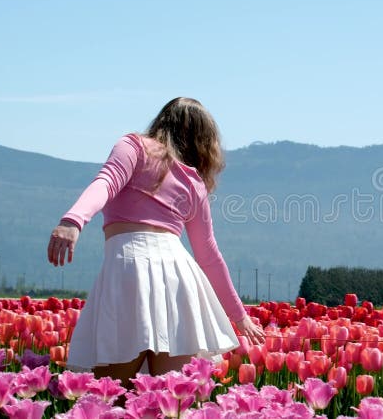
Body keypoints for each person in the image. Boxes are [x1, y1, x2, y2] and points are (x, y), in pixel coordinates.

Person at [47, 97, 265, 387]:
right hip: (179, 276)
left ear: (162, 121)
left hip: (129, 268)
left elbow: (107, 181)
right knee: (167, 399)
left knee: (109, 396)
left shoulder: (133, 146)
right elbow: (208, 254)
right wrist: (239, 316)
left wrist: (74, 220)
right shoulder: (194, 182)